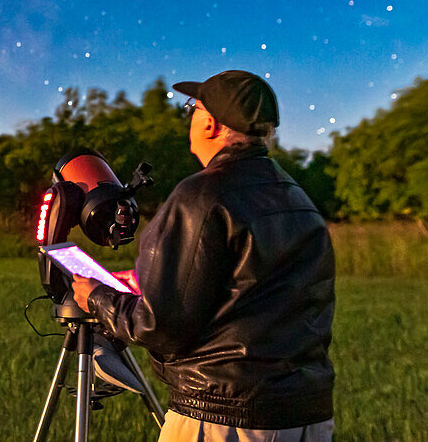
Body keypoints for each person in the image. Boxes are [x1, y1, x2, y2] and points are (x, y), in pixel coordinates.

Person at [71, 70, 335, 441]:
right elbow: (252, 294)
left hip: (224, 418)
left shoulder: (202, 196)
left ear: (210, 123)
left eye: (192, 108)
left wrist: (96, 297)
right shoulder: (298, 199)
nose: (190, 117)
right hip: (306, 415)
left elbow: (157, 325)